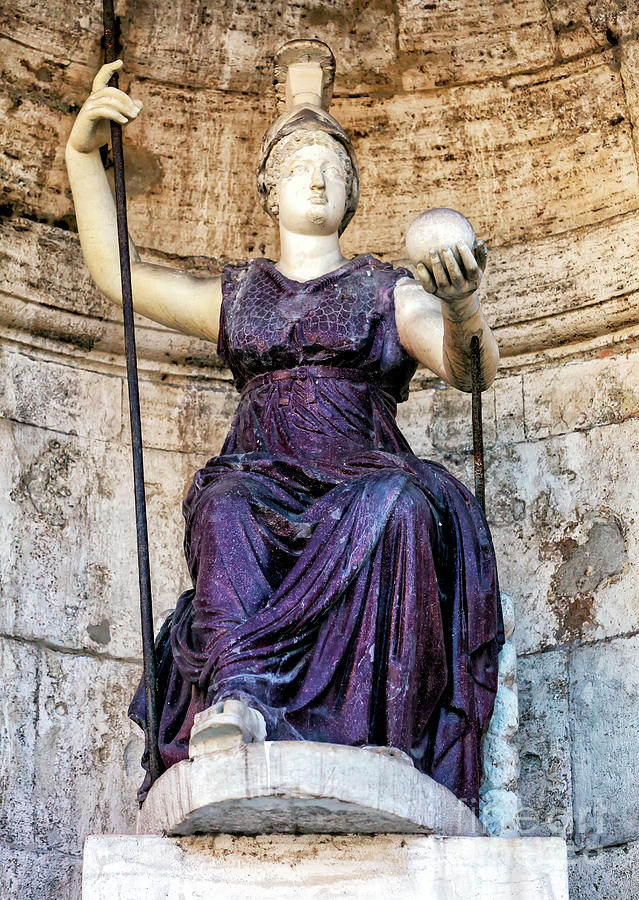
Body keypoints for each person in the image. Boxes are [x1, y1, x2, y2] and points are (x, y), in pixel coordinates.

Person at [65, 40, 502, 810]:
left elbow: (469, 368)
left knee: (398, 507)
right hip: (261, 469)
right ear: (269, 188)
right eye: (301, 163)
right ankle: (237, 701)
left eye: (333, 168)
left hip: (358, 467)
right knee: (224, 503)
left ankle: (385, 733)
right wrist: (80, 158)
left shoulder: (382, 289)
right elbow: (117, 276)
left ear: (353, 191)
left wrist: (463, 304)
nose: (317, 177)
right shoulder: (240, 296)